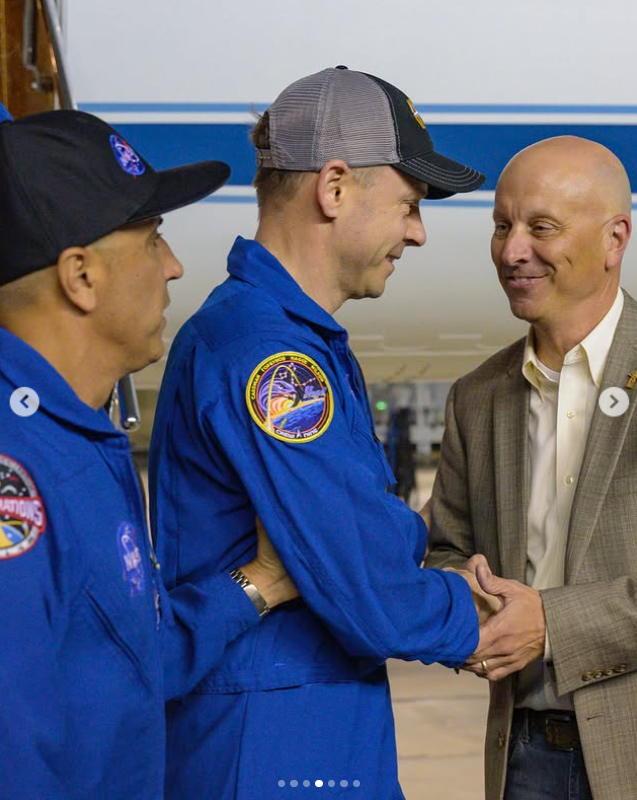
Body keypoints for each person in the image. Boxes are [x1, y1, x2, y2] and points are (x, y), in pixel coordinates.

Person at [149, 65, 488, 800]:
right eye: (408, 204)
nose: (418, 233)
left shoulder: (290, 340)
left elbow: (361, 542)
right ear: (332, 189)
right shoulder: (270, 356)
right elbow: (368, 587)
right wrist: (484, 612)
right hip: (271, 744)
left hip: (298, 722)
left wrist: (380, 537)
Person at [0, 109, 297, 800]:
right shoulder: (20, 474)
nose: (174, 267)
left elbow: (123, 662)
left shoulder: (75, 442)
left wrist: (256, 585)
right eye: (153, 240)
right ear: (80, 276)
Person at [427, 135, 636, 800]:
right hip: (523, 756)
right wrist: (468, 597)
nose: (512, 251)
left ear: (613, 240)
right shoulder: (476, 399)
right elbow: (446, 548)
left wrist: (549, 623)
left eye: (540, 227)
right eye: (500, 226)